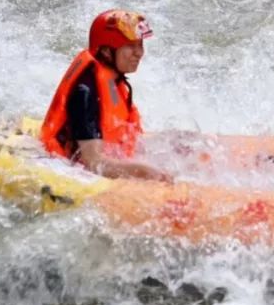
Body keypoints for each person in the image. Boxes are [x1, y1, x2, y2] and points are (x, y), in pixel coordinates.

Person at [39, 10, 173, 182]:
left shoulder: (113, 79)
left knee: (183, 142)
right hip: (62, 166)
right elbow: (93, 163)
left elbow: (126, 134)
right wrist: (147, 173)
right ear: (106, 52)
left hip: (110, 149)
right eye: (130, 46)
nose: (139, 53)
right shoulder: (85, 93)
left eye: (139, 45)